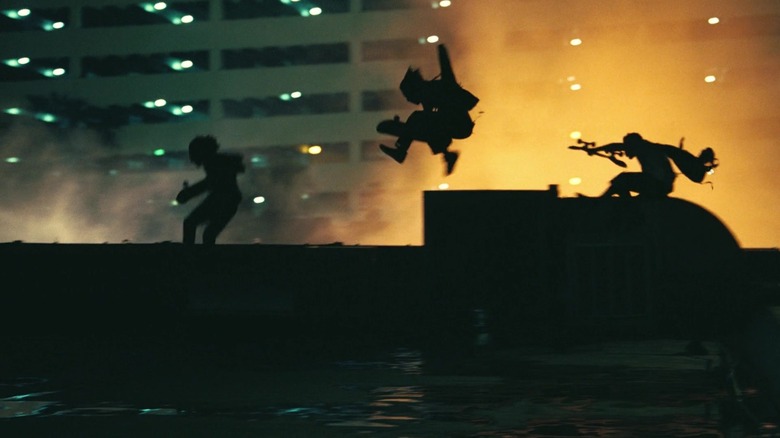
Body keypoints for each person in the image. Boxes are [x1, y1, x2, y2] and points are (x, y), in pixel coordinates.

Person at [377, 44, 479, 175]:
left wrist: (442, 53)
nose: (409, 100)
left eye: (408, 96)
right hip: (455, 126)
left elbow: (447, 72)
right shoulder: (428, 96)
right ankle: (447, 155)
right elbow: (431, 127)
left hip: (460, 125)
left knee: (417, 118)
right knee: (422, 121)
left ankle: (401, 151)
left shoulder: (435, 90)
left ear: (414, 90)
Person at [583, 133, 718, 198]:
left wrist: (596, 149)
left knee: (622, 179)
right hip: (660, 185)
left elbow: (617, 146)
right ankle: (619, 203)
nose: (626, 151)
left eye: (628, 146)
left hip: (657, 184)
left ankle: (601, 202)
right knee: (621, 183)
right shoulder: (649, 147)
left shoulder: (643, 147)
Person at [176, 135, 245, 244]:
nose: (192, 159)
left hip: (223, 200)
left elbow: (209, 183)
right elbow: (210, 183)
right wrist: (189, 193)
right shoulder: (217, 162)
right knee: (209, 234)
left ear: (201, 152)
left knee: (190, 223)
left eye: (193, 154)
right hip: (229, 201)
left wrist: (188, 193)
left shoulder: (214, 163)